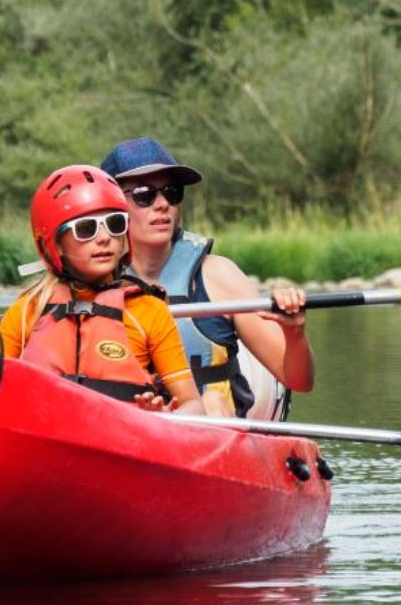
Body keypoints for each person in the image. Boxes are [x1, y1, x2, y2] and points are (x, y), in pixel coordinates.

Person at [99, 137, 314, 419]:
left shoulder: (218, 277)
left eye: (172, 192)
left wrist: (294, 332)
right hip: (129, 428)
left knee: (211, 401)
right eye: (144, 194)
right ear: (112, 205)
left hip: (212, 439)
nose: (162, 204)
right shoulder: (91, 281)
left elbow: (299, 381)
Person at [0, 164, 205, 415]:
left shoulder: (149, 310)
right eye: (86, 229)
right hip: (44, 434)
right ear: (56, 244)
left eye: (114, 224)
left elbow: (193, 405)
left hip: (128, 439)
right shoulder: (29, 309)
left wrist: (160, 419)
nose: (104, 237)